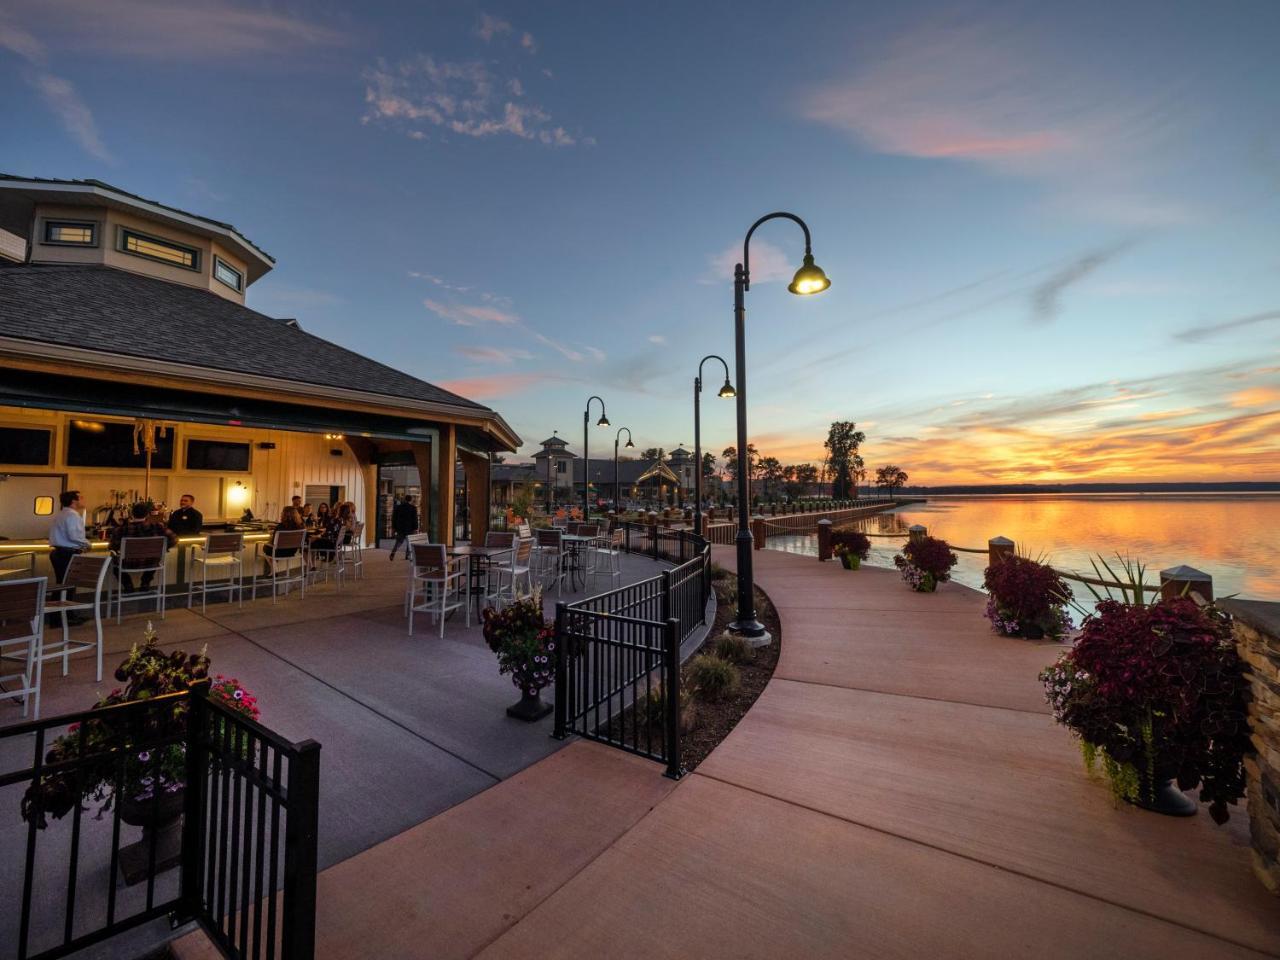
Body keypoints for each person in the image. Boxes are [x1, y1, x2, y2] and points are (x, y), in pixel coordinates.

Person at [109, 502, 177, 593]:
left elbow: (112, 546)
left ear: (131, 514)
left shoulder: (121, 529)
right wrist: (163, 548)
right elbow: (174, 539)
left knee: (113, 562)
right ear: (148, 514)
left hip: (127, 563)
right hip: (151, 562)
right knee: (155, 558)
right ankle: (145, 582)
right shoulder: (158, 526)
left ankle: (127, 584)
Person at [48, 489, 89, 585]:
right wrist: (87, 544)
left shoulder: (61, 514)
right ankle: (65, 600)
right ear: (74, 501)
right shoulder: (72, 515)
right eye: (81, 498)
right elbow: (73, 536)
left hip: (58, 553)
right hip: (68, 554)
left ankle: (59, 599)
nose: (84, 500)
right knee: (68, 583)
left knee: (61, 583)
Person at [261, 506, 305, 575]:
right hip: (292, 551)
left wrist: (270, 536)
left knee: (266, 549)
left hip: (278, 552)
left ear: (285, 514)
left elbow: (274, 542)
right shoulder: (301, 526)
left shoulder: (280, 526)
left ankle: (274, 571)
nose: (281, 513)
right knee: (271, 553)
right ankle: (273, 572)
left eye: (282, 512)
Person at [389, 494, 419, 560]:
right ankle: (407, 555)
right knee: (409, 542)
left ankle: (393, 552)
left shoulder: (398, 507)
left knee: (399, 541)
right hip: (410, 528)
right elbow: (415, 519)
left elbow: (394, 518)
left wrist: (394, 527)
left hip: (400, 527)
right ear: (411, 500)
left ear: (405, 499)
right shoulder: (413, 508)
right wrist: (416, 528)